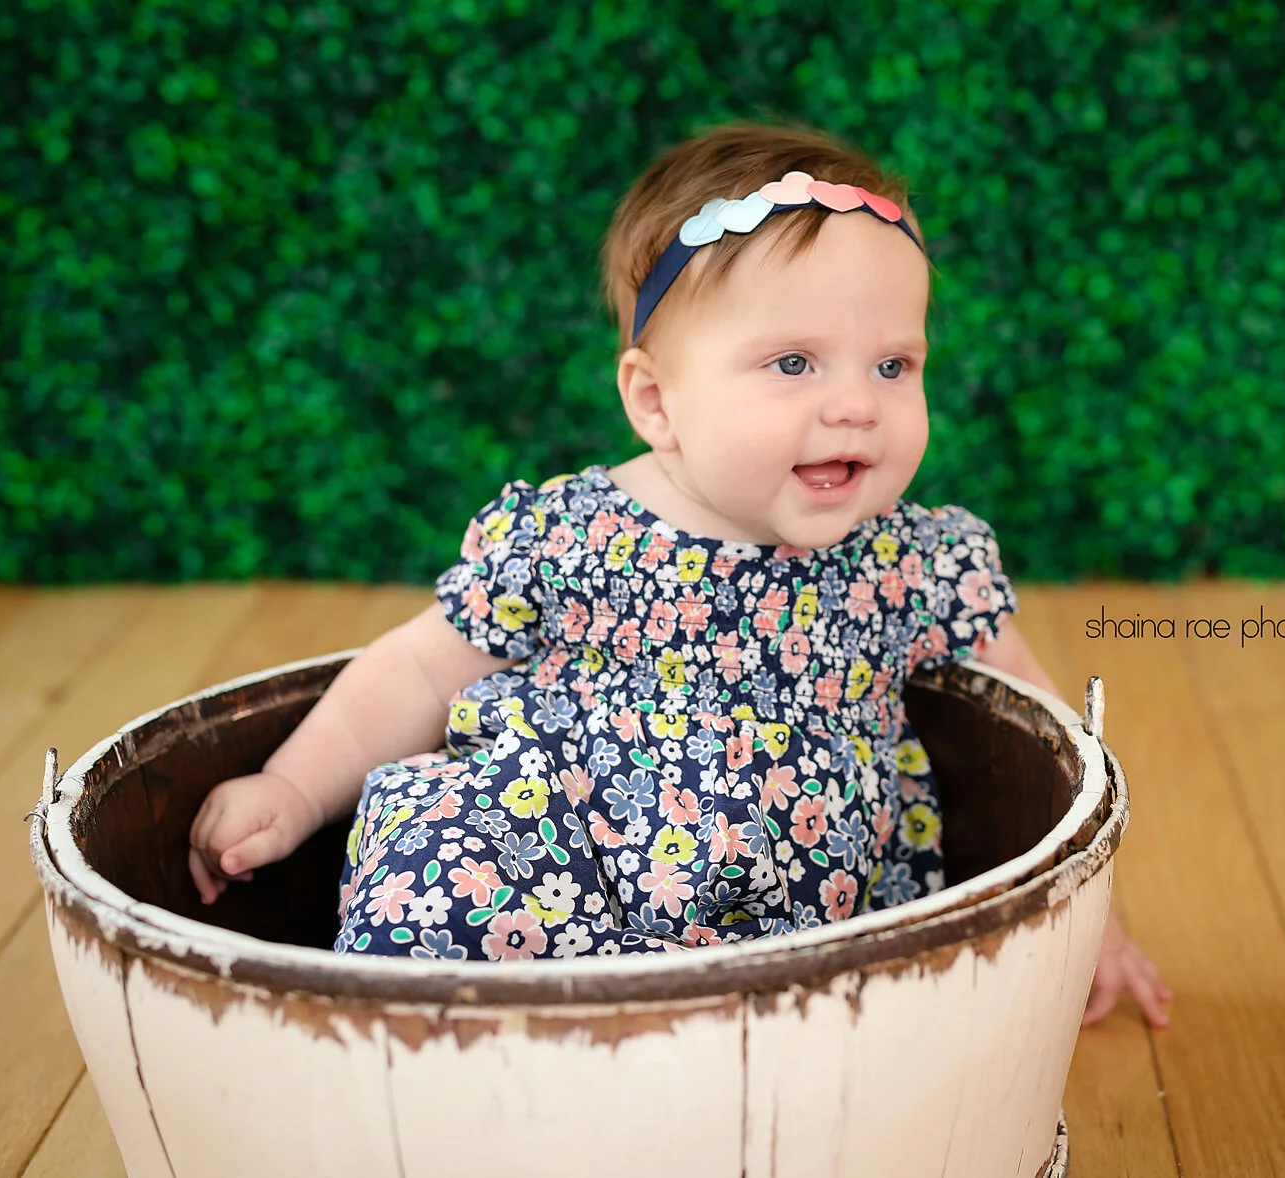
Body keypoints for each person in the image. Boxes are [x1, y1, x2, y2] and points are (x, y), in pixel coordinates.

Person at [187, 120, 1170, 1027]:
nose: (856, 405)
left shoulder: (913, 559)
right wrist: (293, 787)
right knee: (435, 865)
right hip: (547, 862)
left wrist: (1093, 922)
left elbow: (1052, 755)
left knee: (878, 1021)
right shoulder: (571, 535)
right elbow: (416, 669)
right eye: (794, 363)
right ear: (655, 400)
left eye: (892, 365)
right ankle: (426, 1061)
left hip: (791, 926)